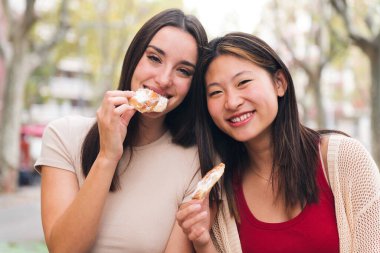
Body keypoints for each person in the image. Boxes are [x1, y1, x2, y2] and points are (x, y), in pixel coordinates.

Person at [176, 32, 380, 253]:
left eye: (243, 82)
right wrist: (203, 242)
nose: (232, 102)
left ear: (279, 83)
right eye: (216, 92)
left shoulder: (346, 160)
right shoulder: (219, 196)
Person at [35, 8, 208, 252]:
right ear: (134, 57)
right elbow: (63, 249)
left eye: (184, 71)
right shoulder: (63, 136)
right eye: (154, 58)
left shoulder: (196, 164)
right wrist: (107, 156)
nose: (164, 79)